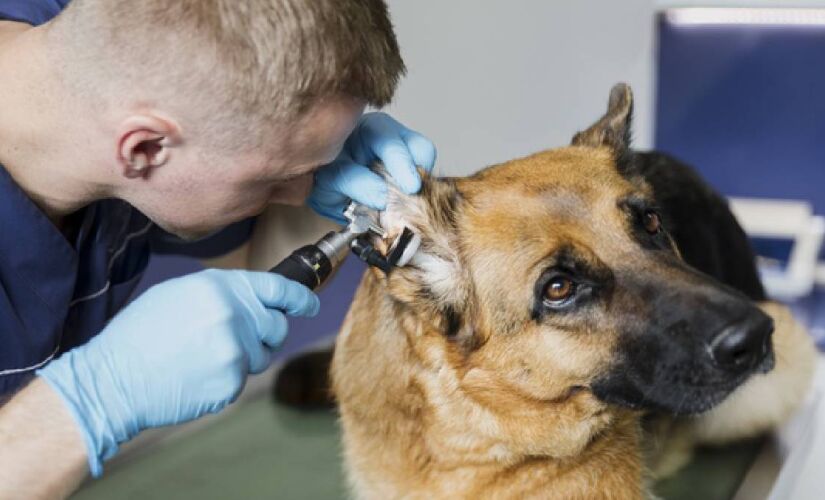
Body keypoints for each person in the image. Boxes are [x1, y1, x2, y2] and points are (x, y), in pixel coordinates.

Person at [0, 1, 436, 497]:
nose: (299, 192)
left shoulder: (116, 46)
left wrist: (329, 179)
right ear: (143, 149)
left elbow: (252, 271)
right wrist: (92, 401)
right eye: (281, 179)